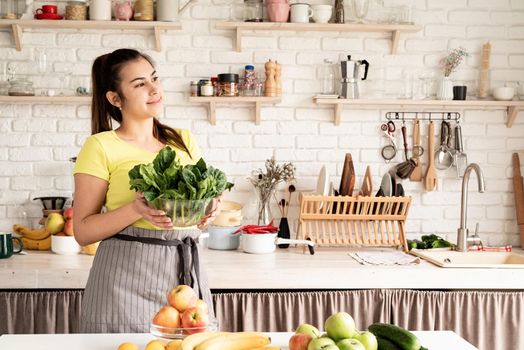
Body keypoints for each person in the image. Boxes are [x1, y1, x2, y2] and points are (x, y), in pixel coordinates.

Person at [73, 48, 218, 333]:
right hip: (123, 284)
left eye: (154, 78)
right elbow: (83, 231)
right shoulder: (100, 146)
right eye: (139, 84)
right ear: (115, 99)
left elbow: (205, 196)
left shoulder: (183, 140)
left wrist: (210, 207)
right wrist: (135, 209)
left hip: (185, 279)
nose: (154, 89)